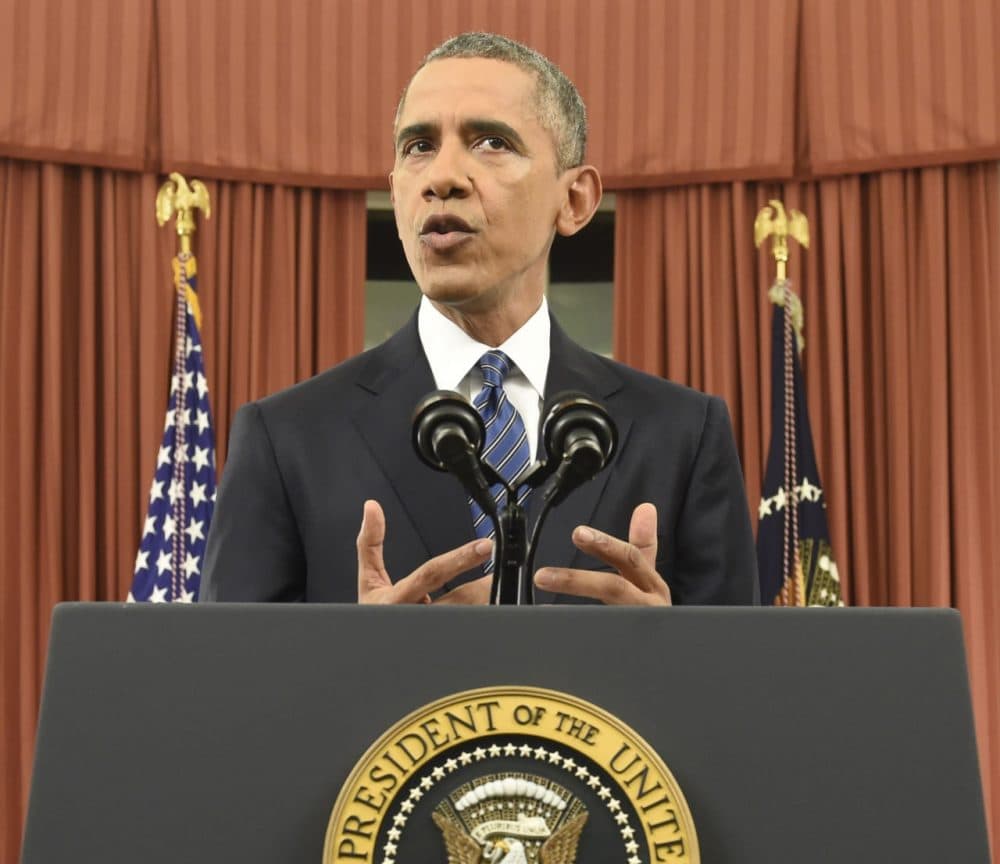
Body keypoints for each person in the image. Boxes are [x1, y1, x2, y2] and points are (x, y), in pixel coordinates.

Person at [200, 32, 758, 606]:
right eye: (418, 146)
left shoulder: (683, 435)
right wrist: (354, 660)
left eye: (491, 142)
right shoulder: (286, 438)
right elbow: (227, 686)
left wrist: (676, 653)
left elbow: (741, 687)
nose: (442, 177)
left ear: (574, 201)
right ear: (396, 195)